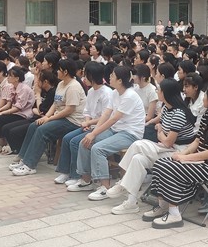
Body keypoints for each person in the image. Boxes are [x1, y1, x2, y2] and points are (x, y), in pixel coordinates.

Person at [146, 85, 208, 229]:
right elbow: (197, 141)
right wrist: (182, 154)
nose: (203, 98)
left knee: (170, 168)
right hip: (200, 161)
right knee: (160, 164)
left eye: (206, 96)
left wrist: (186, 158)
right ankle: (163, 206)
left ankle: (174, 214)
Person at [106, 78, 197, 214]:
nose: (157, 91)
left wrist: (160, 132)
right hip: (167, 148)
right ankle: (131, 203)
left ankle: (122, 183)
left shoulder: (179, 113)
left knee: (137, 144)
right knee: (137, 159)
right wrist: (161, 132)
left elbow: (167, 141)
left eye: (159, 90)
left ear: (165, 93)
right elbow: (164, 135)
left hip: (180, 152)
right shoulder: (166, 109)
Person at [68, 66, 145, 199]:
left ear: (120, 80)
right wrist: (93, 132)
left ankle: (105, 188)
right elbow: (106, 114)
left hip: (130, 133)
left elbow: (114, 119)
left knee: (98, 149)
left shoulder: (130, 96)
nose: (109, 77)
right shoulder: (115, 93)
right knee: (84, 142)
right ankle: (86, 181)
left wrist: (94, 134)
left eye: (112, 76)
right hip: (116, 130)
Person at [10, 59, 85, 174]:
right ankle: (23, 158)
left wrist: (49, 119)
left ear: (65, 72)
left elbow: (69, 110)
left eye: (59, 70)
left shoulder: (73, 87)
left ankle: (30, 165)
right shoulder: (61, 84)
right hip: (60, 117)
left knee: (42, 130)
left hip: (72, 121)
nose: (57, 72)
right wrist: (46, 117)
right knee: (34, 125)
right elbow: (55, 103)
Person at [51, 61, 114, 185]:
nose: (83, 78)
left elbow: (106, 117)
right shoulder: (91, 91)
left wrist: (89, 123)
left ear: (92, 76)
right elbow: (87, 111)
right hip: (89, 125)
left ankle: (77, 175)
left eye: (86, 75)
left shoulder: (107, 93)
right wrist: (87, 122)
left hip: (102, 127)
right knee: (67, 138)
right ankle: (65, 172)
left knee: (76, 142)